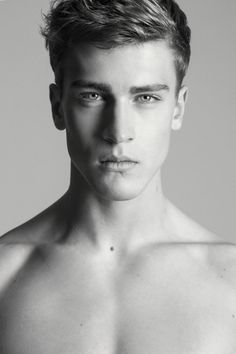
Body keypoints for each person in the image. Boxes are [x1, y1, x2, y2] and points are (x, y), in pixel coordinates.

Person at [0, 0, 236, 352]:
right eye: (92, 96)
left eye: (146, 97)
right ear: (57, 106)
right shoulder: (4, 277)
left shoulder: (230, 282)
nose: (118, 131)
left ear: (178, 108)